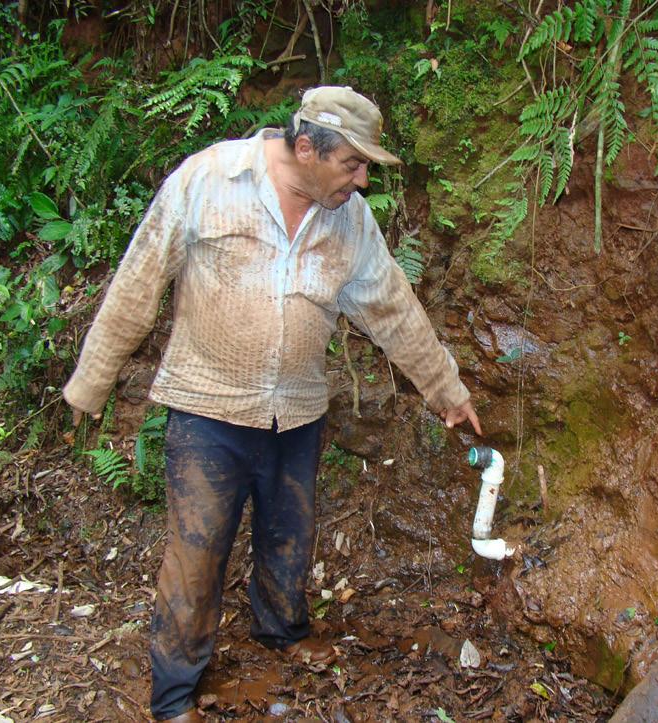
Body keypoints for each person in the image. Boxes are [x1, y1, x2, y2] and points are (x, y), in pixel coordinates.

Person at [63, 85, 482, 723]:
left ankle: (281, 633)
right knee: (197, 553)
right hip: (208, 409)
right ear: (307, 147)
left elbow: (393, 308)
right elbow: (140, 277)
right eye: (353, 164)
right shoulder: (210, 178)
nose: (363, 181)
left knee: (290, 536)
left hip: (298, 411)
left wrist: (446, 389)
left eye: (367, 167)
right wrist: (91, 383)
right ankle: (174, 694)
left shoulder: (349, 219)